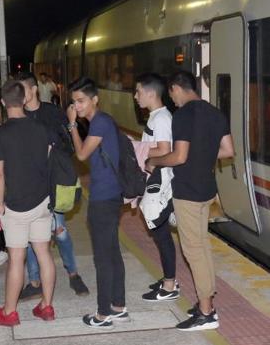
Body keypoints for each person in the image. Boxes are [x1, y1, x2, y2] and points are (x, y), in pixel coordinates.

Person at [146, 71, 234, 331]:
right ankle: (206, 302)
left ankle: (207, 313)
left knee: (193, 251)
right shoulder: (215, 113)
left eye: (171, 93)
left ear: (175, 87)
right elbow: (228, 150)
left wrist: (154, 161)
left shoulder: (183, 115)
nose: (171, 98)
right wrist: (204, 156)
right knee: (202, 247)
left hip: (188, 192)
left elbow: (179, 156)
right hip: (207, 191)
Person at [0, 79, 56, 327]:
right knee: (43, 253)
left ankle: (9, 312)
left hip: (15, 205)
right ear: (24, 99)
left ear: (3, 103)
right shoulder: (41, 129)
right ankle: (46, 306)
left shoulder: (0, 133)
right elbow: (48, 161)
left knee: (16, 259)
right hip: (41, 201)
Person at [16, 72, 89, 300]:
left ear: (34, 89)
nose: (19, 96)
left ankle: (73, 273)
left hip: (53, 182)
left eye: (22, 90)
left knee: (61, 233)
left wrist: (52, 146)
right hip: (28, 184)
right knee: (28, 236)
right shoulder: (16, 115)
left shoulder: (51, 112)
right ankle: (35, 280)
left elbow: (69, 148)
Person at [66, 77, 129, 329]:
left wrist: (71, 125)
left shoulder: (100, 122)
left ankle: (103, 314)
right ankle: (118, 306)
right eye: (73, 102)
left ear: (95, 99)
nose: (77, 106)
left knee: (103, 257)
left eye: (81, 101)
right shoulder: (103, 122)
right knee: (112, 251)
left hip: (104, 197)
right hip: (111, 194)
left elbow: (81, 154)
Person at [133, 73, 180, 302]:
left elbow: (163, 149)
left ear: (151, 93)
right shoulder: (157, 116)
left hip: (160, 181)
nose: (135, 96)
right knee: (160, 234)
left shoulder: (160, 119)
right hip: (157, 179)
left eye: (138, 92)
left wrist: (136, 149)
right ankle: (168, 279)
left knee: (161, 235)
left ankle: (170, 286)